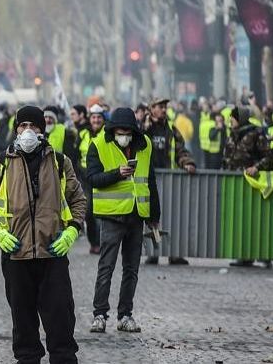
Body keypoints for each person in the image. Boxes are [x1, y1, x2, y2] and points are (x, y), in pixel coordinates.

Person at [0, 105, 86, 364]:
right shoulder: (0, 163)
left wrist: (72, 230)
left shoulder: (59, 161)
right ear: (16, 130)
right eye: (23, 126)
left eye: (34, 126)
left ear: (42, 131)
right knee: (23, 324)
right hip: (16, 255)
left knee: (61, 319)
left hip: (52, 253)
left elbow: (78, 199)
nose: (28, 131)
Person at [86, 107, 160, 334]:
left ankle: (125, 315)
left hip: (137, 216)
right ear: (112, 130)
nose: (123, 134)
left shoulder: (144, 145)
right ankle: (99, 315)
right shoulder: (98, 144)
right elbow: (93, 179)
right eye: (119, 131)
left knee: (131, 269)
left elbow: (150, 180)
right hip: (112, 217)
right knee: (106, 267)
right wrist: (117, 173)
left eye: (127, 131)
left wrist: (154, 217)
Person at [143, 97, 195, 265]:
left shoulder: (172, 130)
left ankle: (174, 253)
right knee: (152, 219)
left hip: (170, 180)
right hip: (148, 180)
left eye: (165, 107)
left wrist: (187, 163)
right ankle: (153, 252)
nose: (164, 109)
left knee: (174, 217)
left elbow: (181, 150)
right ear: (152, 109)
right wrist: (143, 128)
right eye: (160, 106)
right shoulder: (143, 129)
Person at [223, 106, 273, 268]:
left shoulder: (256, 134)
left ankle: (264, 255)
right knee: (239, 223)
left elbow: (269, 156)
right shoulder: (232, 134)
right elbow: (226, 158)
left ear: (241, 118)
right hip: (236, 188)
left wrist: (256, 168)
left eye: (233, 117)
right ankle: (244, 255)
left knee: (258, 222)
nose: (230, 120)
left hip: (255, 186)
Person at [80, 104, 106, 253]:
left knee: (101, 213)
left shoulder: (107, 134)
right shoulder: (83, 134)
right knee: (88, 212)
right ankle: (94, 243)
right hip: (85, 178)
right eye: (94, 117)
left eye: (99, 117)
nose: (96, 120)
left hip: (101, 176)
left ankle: (103, 243)